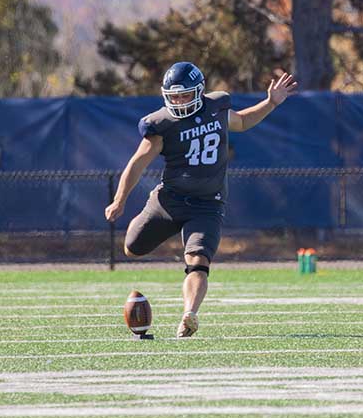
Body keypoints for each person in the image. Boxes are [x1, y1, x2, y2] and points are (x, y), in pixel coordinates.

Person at [105, 62, 298, 338]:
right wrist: (119, 200)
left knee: (198, 261)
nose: (180, 101)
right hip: (168, 200)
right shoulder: (162, 124)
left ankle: (189, 314)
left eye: (185, 95)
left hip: (207, 203)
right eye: (174, 96)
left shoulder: (216, 108)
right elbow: (137, 163)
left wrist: (271, 103)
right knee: (132, 248)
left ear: (199, 92)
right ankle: (164, 225)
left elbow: (242, 121)